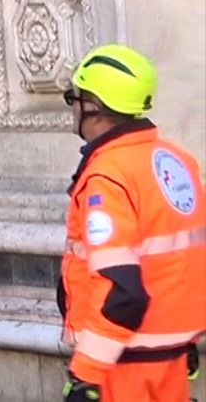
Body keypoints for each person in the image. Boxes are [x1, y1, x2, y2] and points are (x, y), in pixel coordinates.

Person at [58, 44, 204, 401]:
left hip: (124, 365)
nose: (72, 108)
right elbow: (185, 262)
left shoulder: (109, 176)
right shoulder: (178, 161)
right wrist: (185, 340)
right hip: (171, 359)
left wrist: (85, 375)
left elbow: (121, 293)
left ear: (93, 106)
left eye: (74, 98)